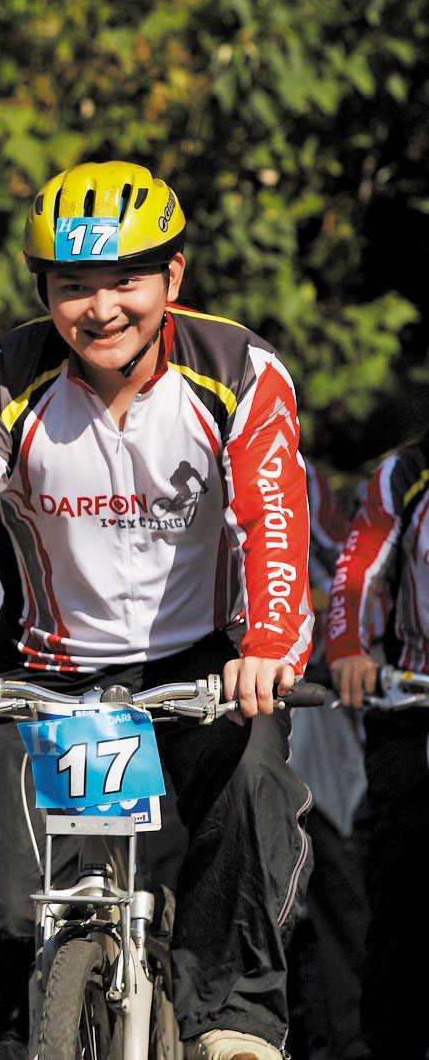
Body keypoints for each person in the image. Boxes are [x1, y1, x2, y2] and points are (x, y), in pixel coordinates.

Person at [0, 161, 314, 1060]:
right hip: (47, 684)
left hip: (203, 673)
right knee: (2, 916)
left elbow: (273, 521)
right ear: (43, 290)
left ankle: (232, 1021)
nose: (101, 308)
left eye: (126, 280)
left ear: (174, 279)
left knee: (254, 784)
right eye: (73, 286)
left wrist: (271, 646)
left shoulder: (242, 373)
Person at [324, 441, 429, 1057]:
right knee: (404, 896)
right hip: (416, 707)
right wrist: (349, 649)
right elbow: (358, 569)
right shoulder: (405, 473)